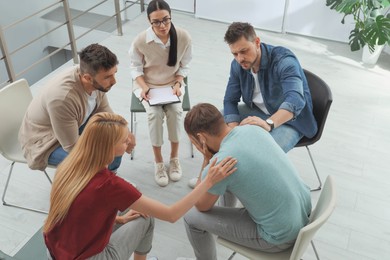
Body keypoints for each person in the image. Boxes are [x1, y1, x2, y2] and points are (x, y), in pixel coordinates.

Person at [43, 112, 237, 260]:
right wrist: (209, 181)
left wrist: (118, 220)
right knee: (146, 219)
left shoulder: (68, 166)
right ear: (109, 147)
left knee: (134, 214)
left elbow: (76, 213)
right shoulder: (110, 185)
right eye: (124, 140)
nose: (130, 141)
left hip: (54, 250)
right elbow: (171, 214)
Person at [181, 103, 312, 260]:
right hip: (303, 217)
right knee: (227, 178)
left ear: (201, 138)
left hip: (279, 237)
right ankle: (223, 225)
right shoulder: (253, 128)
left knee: (191, 217)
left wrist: (206, 160)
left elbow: (200, 205)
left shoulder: (221, 162)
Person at [18, 43, 135, 172]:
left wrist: (126, 135)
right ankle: (103, 184)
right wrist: (108, 150)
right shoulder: (62, 99)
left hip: (72, 125)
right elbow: (72, 146)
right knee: (103, 157)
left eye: (114, 74)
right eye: (107, 77)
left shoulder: (94, 80)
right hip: (46, 142)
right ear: (87, 78)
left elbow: (108, 115)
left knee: (116, 140)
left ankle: (109, 179)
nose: (114, 81)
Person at [223, 22, 317, 153]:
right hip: (258, 112)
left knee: (262, 154)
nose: (240, 59)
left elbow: (295, 99)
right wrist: (234, 130)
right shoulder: (238, 65)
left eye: (244, 51)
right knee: (214, 123)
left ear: (257, 42)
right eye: (235, 54)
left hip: (290, 122)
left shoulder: (283, 60)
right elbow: (229, 100)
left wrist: (269, 123)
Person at [129, 0, 192, 187]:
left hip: (173, 85)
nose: (162, 26)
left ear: (171, 16)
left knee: (175, 112)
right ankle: (158, 162)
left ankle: (173, 159)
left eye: (166, 20)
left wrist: (179, 82)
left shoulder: (183, 37)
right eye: (156, 22)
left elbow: (185, 66)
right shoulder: (140, 41)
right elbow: (135, 69)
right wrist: (144, 87)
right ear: (149, 21)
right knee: (154, 115)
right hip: (148, 85)